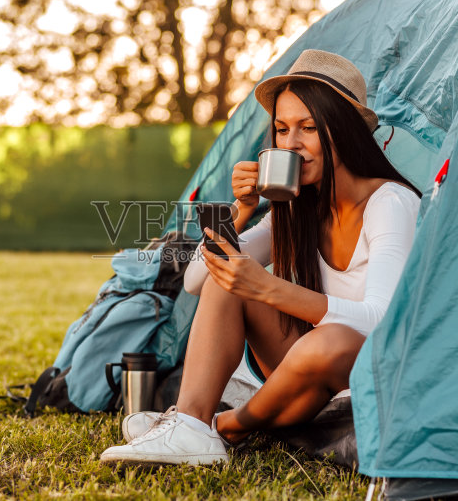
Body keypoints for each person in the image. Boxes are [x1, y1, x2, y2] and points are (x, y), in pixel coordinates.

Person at [100, 49, 421, 466]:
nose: (291, 144)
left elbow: (381, 321)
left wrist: (270, 288)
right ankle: (192, 424)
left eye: (308, 127)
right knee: (227, 272)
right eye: (282, 129)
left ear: (342, 131)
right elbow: (199, 279)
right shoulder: (296, 209)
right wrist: (243, 208)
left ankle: (222, 427)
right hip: (301, 373)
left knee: (328, 340)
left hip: (366, 364)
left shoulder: (389, 202)